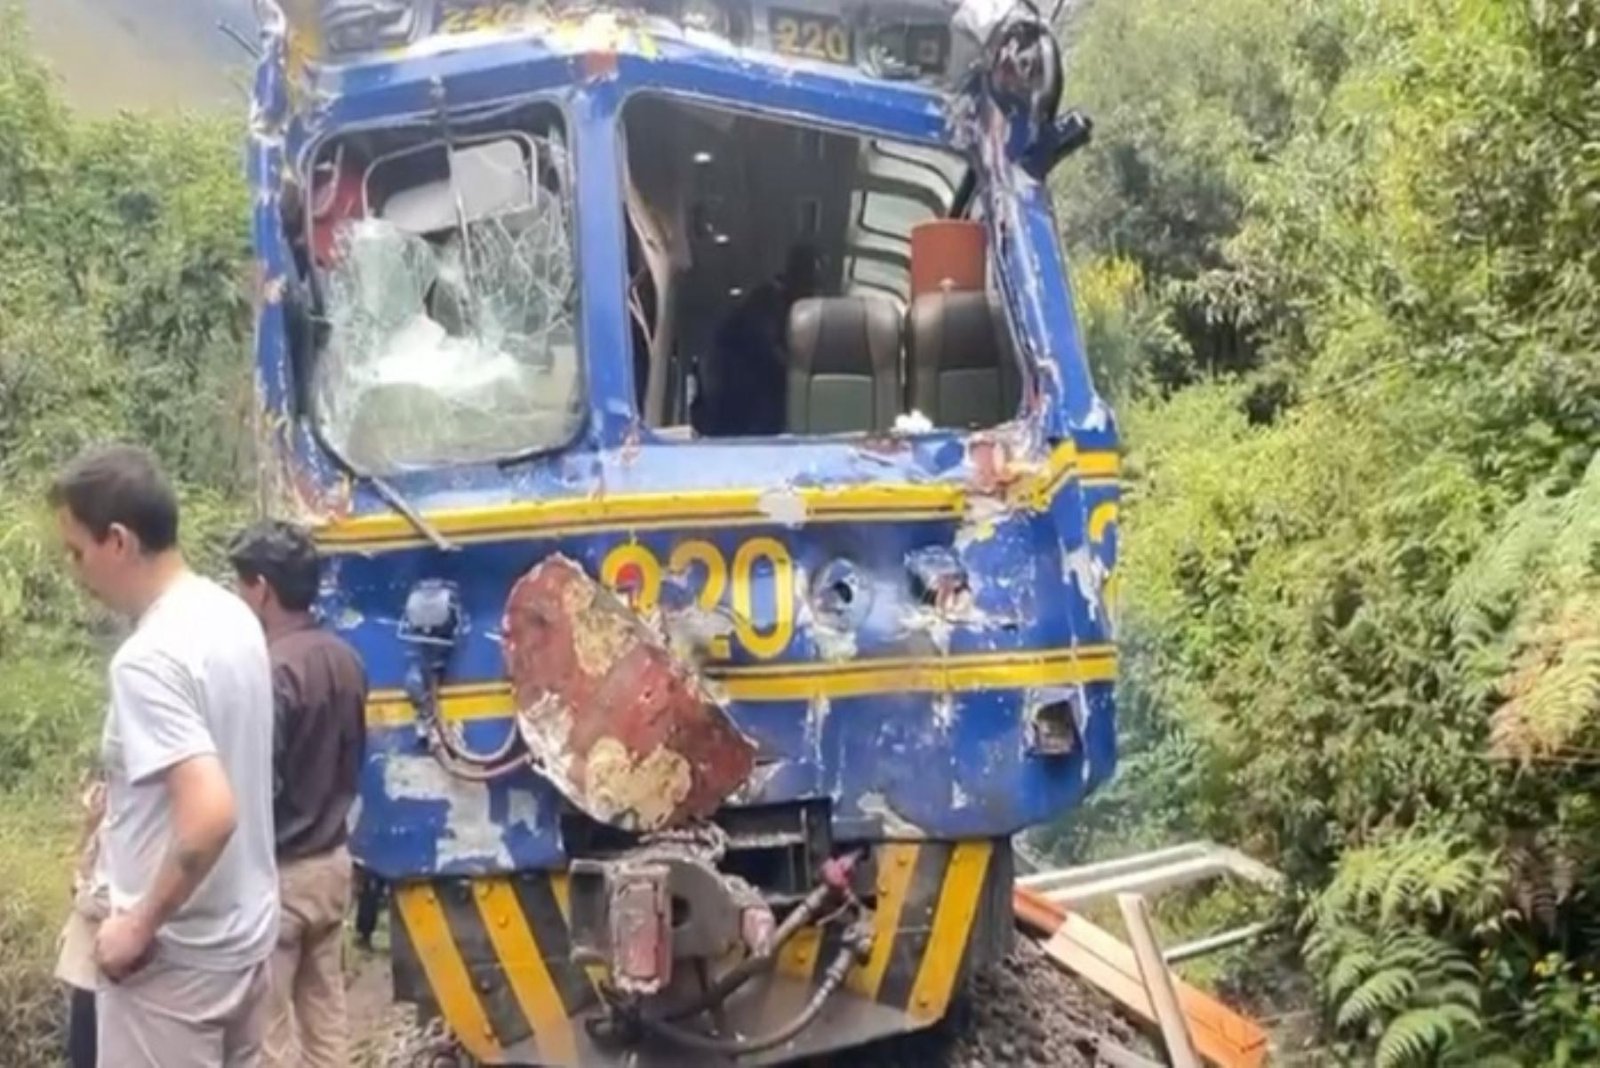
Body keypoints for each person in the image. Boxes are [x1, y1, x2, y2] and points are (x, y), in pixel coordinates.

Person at [48, 443, 278, 1068]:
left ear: (118, 541)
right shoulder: (232, 617)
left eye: (78, 551)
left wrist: (138, 925)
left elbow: (211, 814)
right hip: (242, 946)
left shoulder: (148, 658)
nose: (76, 570)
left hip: (174, 971)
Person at [228, 520, 368, 1068]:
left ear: (261, 588)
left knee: (269, 1038)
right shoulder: (346, 659)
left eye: (241, 586)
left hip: (280, 875)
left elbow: (258, 784)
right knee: (326, 1022)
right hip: (332, 865)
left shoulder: (269, 671)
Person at [699, 243, 822, 436]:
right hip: (744, 417)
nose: (813, 290)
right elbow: (766, 351)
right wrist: (798, 372)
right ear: (794, 273)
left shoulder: (816, 321)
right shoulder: (766, 302)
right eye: (809, 280)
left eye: (815, 283)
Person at [55, 775, 109, 1068]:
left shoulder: (121, 822)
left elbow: (104, 898)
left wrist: (79, 891)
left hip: (105, 965)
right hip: (94, 965)